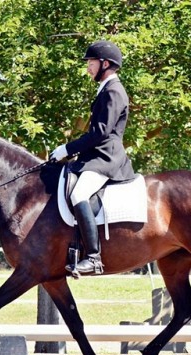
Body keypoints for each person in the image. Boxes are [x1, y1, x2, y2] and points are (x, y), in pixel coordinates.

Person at [50, 40, 135, 274]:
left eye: (91, 62)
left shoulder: (113, 91)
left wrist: (67, 149)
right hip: (96, 155)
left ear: (105, 64)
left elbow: (100, 132)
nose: (88, 67)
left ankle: (94, 257)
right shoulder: (106, 90)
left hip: (106, 157)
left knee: (79, 193)